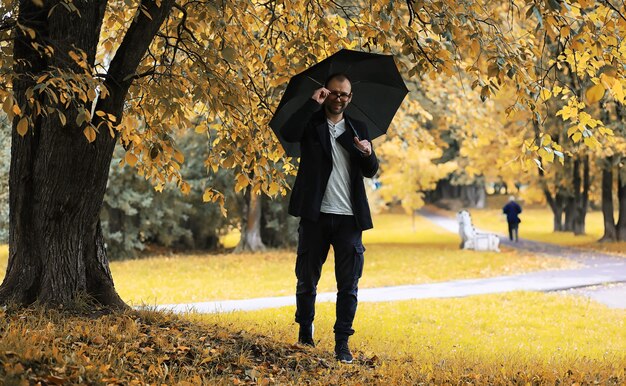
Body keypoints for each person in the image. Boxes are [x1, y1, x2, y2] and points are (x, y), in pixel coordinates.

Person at [279, 73, 378, 364]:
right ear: (326, 93)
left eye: (344, 94)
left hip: (349, 218)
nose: (339, 98)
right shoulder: (312, 122)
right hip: (315, 215)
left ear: (350, 98)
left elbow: (370, 170)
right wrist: (312, 104)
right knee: (307, 278)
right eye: (334, 93)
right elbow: (289, 132)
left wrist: (367, 153)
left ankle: (342, 342)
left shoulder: (357, 128)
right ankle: (305, 333)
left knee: (348, 284)